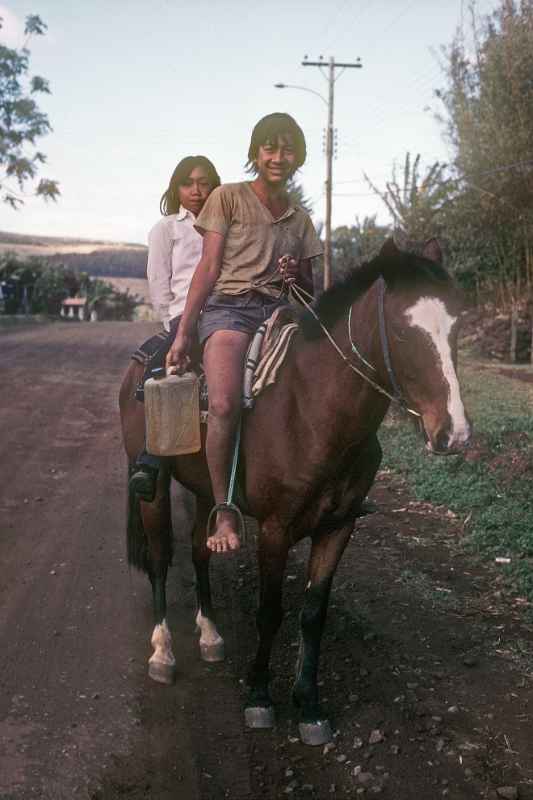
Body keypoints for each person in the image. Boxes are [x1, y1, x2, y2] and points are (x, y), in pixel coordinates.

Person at [166, 113, 323, 554]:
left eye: (287, 148)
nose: (278, 157)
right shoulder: (228, 197)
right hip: (230, 311)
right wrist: (183, 334)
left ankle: (311, 489)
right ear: (255, 153)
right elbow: (209, 268)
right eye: (269, 148)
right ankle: (225, 510)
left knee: (314, 391)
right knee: (223, 401)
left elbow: (311, 288)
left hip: (279, 315)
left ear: (299, 156)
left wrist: (296, 274)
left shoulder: (301, 219)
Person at [129, 155, 221, 501]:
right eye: (188, 183)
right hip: (185, 315)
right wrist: (176, 325)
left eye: (204, 182)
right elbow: (158, 280)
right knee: (167, 368)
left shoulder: (224, 226)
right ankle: (151, 458)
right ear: (176, 188)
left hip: (227, 310)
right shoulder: (166, 228)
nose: (196, 191)